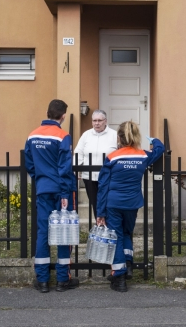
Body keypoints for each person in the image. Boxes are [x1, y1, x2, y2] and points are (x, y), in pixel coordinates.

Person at [96, 121, 165, 292]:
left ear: (119, 137)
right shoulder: (142, 155)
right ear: (136, 137)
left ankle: (119, 277)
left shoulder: (112, 157)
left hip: (113, 203)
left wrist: (100, 211)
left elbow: (103, 185)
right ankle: (128, 263)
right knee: (127, 233)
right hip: (132, 203)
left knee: (116, 236)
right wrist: (155, 140)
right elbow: (159, 149)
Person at [24, 99, 79, 294]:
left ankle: (43, 280)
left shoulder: (32, 135)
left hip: (43, 188)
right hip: (61, 190)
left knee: (43, 232)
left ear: (48, 113)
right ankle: (63, 279)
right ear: (63, 116)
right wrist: (65, 192)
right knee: (64, 231)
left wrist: (39, 179)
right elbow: (65, 167)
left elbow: (29, 163)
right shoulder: (63, 136)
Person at [73, 110, 117, 219]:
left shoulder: (114, 135)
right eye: (94, 121)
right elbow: (79, 152)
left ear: (105, 121)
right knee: (95, 203)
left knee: (108, 203)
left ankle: (109, 226)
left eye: (99, 120)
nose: (97, 123)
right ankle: (100, 227)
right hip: (89, 177)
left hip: (108, 176)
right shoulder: (86, 135)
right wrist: (76, 168)